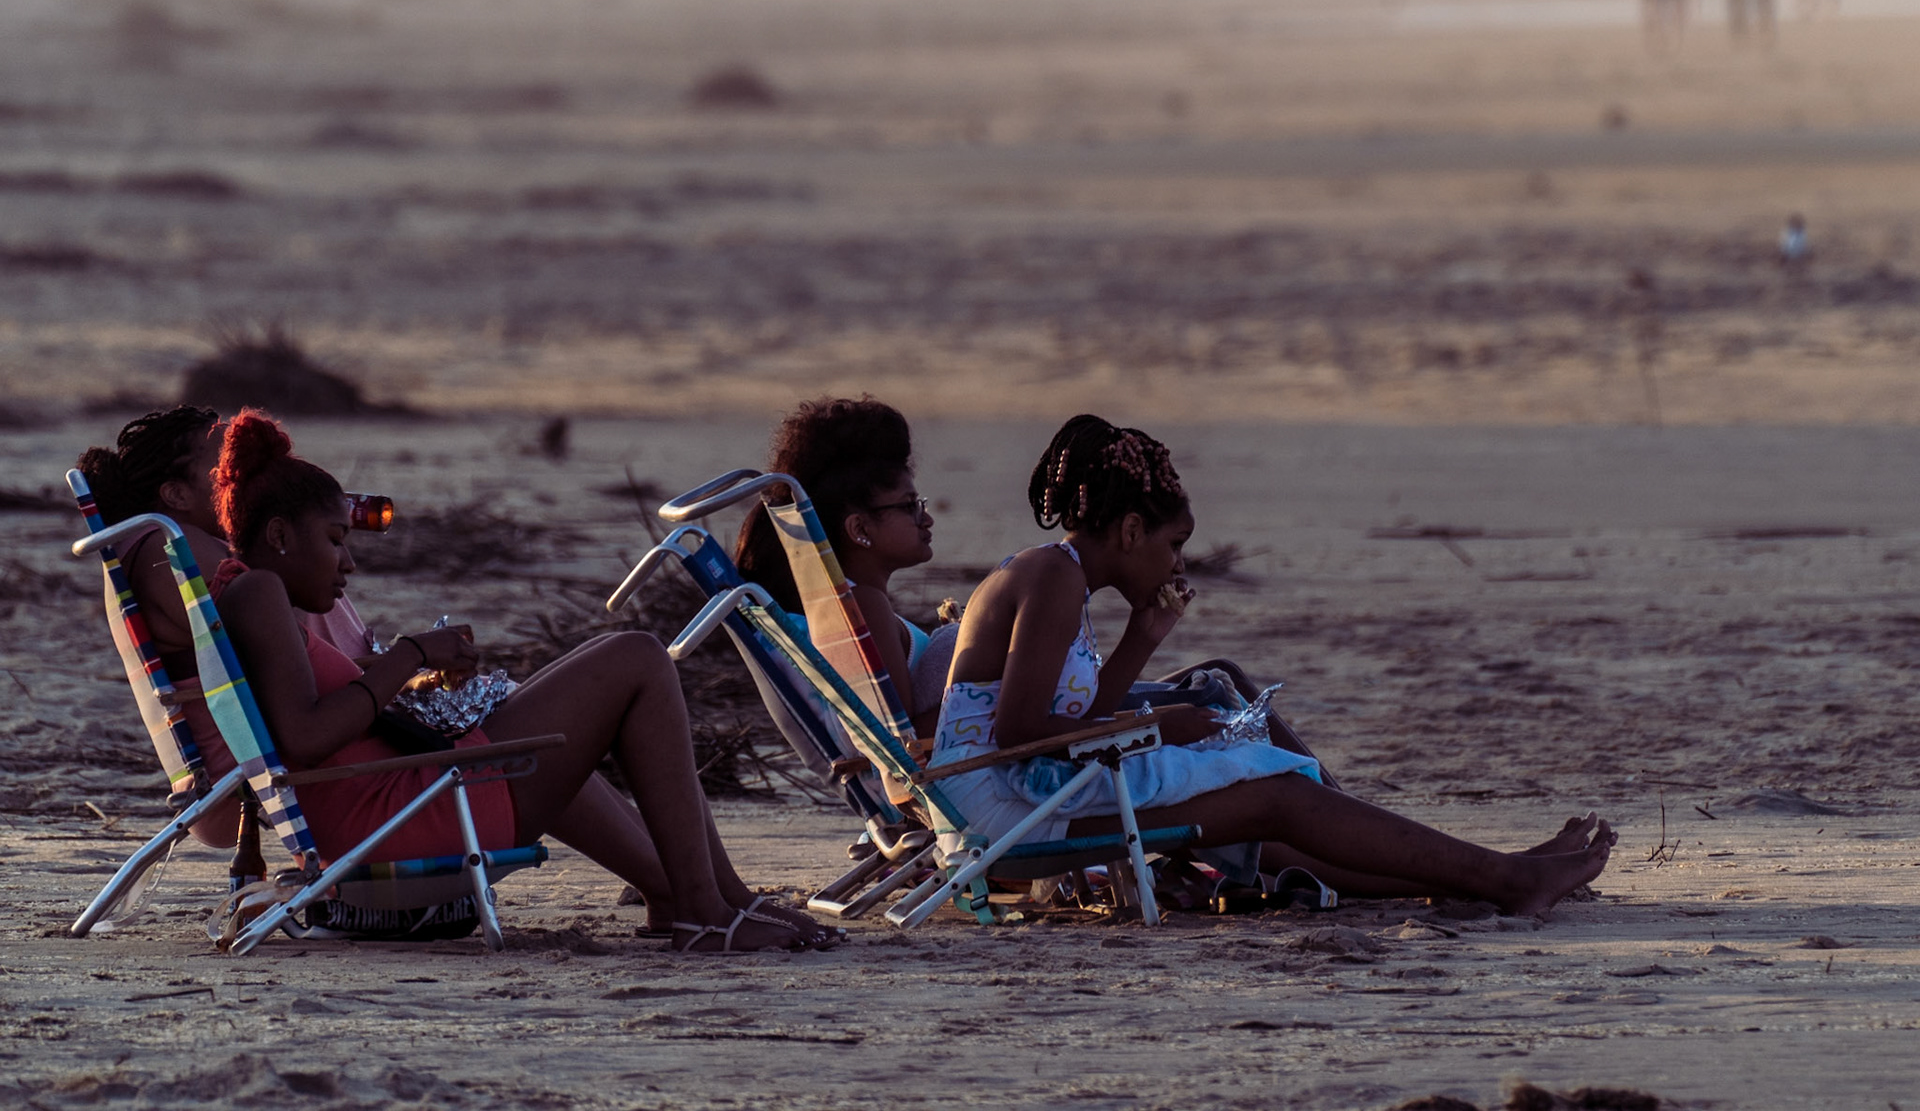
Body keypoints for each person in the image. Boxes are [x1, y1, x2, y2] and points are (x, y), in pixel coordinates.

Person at [928, 415, 1614, 915]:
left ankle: (1497, 872)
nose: (1178, 564)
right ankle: (1504, 878)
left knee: (1270, 790)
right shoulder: (1053, 580)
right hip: (1009, 813)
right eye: (1174, 543)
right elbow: (1021, 733)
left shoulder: (1057, 575)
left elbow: (1066, 718)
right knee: (1278, 792)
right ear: (1131, 530)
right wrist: (1158, 724)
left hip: (1025, 794)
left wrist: (1144, 637)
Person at [200, 410, 828, 952]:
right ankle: (707, 911)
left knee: (557, 716)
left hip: (403, 799)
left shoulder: (256, 598)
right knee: (636, 655)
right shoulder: (257, 592)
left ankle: (711, 897)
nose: (350, 561)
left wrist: (410, 677)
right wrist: (412, 653)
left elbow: (318, 713)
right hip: (397, 818)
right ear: (280, 534)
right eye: (335, 540)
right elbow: (307, 737)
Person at [77, 408, 378, 847]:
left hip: (293, 730)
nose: (245, 472)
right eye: (226, 465)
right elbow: (284, 660)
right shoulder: (173, 547)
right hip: (294, 744)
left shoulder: (177, 545)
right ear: (177, 494)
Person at [734, 397, 949, 734]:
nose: (928, 520)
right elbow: (904, 742)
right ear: (860, 529)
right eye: (910, 507)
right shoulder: (865, 607)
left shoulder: (848, 610)